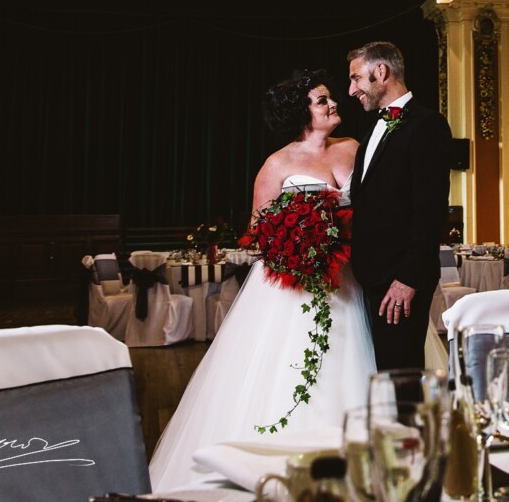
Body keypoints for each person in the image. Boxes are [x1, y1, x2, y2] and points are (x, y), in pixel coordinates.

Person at [147, 69, 374, 492]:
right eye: (322, 100)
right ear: (302, 113)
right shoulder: (278, 163)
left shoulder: (353, 149)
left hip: (349, 277)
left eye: (330, 98)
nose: (333, 104)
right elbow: (257, 230)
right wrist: (298, 242)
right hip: (294, 287)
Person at [347, 41, 452, 370]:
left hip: (399, 279)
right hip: (372, 276)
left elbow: (430, 211)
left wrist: (407, 279)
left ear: (381, 72)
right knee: (384, 372)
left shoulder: (427, 125)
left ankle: (409, 425)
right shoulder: (372, 130)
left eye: (355, 78)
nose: (351, 90)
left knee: (401, 376)